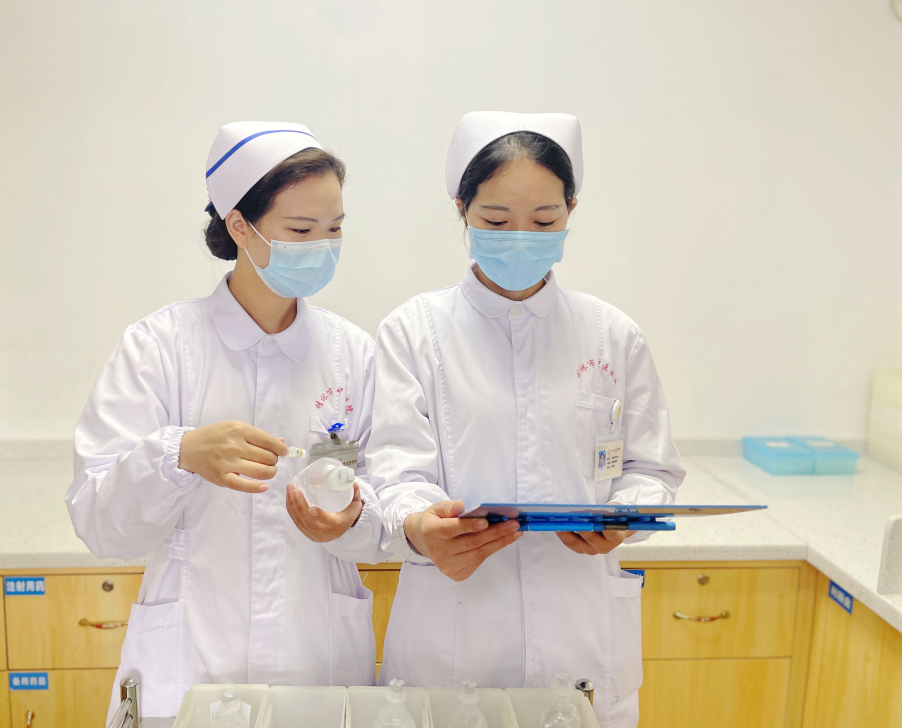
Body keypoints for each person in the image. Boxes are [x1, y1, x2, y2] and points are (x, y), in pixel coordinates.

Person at [368, 112, 685, 727]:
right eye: (495, 221)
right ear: (462, 209)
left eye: (543, 221)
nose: (520, 238)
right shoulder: (413, 332)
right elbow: (395, 471)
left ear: (571, 210)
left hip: (581, 632)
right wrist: (424, 526)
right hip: (453, 632)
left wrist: (624, 517)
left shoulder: (611, 334)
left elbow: (652, 469)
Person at [65, 122, 382, 720]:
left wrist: (352, 516)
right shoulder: (160, 347)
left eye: (334, 228)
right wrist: (179, 455)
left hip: (317, 658)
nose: (322, 246)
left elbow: (387, 503)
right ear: (240, 225)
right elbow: (100, 523)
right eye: (301, 230)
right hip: (190, 660)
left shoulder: (353, 354)